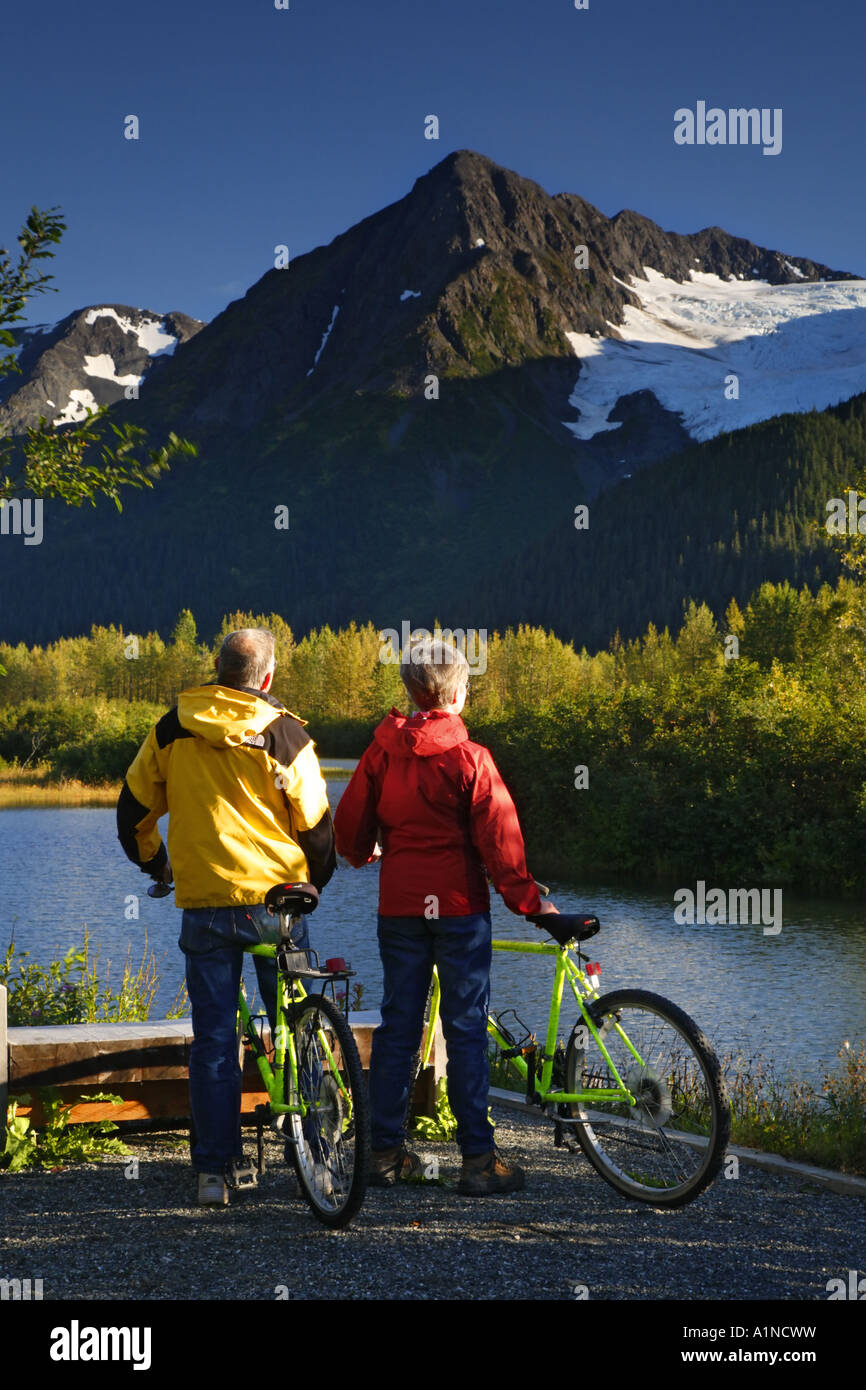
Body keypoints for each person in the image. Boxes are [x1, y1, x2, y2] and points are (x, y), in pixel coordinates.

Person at [117, 627, 335, 1206]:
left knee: (214, 1039)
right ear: (266, 678)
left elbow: (133, 811)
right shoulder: (285, 734)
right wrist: (315, 885)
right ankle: (318, 1153)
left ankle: (215, 1172)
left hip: (206, 905)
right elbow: (316, 828)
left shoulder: (173, 727)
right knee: (298, 1025)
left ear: (218, 671)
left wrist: (158, 864)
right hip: (277, 902)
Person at [334, 636, 558, 1196]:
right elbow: (502, 846)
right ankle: (478, 1162)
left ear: (410, 691)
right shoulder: (471, 759)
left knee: (397, 1029)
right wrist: (533, 903)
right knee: (464, 1032)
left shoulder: (381, 753)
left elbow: (350, 832)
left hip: (401, 908)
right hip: (459, 910)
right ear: (458, 692)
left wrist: (367, 854)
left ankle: (382, 1154)